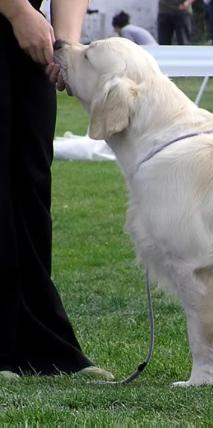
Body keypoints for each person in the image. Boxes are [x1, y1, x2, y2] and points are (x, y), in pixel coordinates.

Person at [0, 0, 114, 380]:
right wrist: (17, 10)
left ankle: (42, 346)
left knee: (31, 183)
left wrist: (66, 45)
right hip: (20, 17)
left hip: (30, 35)